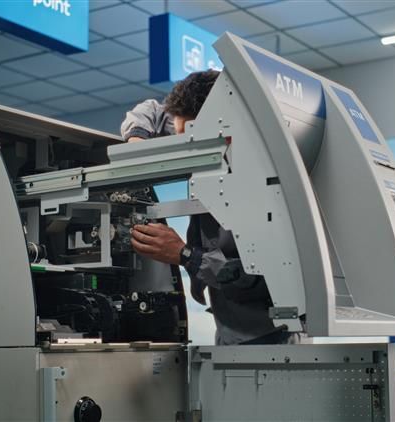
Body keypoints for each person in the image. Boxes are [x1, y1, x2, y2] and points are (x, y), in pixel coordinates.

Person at [121, 70, 295, 345]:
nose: (186, 148)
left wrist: (185, 254)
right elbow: (152, 111)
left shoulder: (263, 185)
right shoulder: (199, 131)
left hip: (266, 336)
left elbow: (259, 280)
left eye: (191, 138)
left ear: (223, 127)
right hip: (228, 327)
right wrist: (137, 141)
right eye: (181, 136)